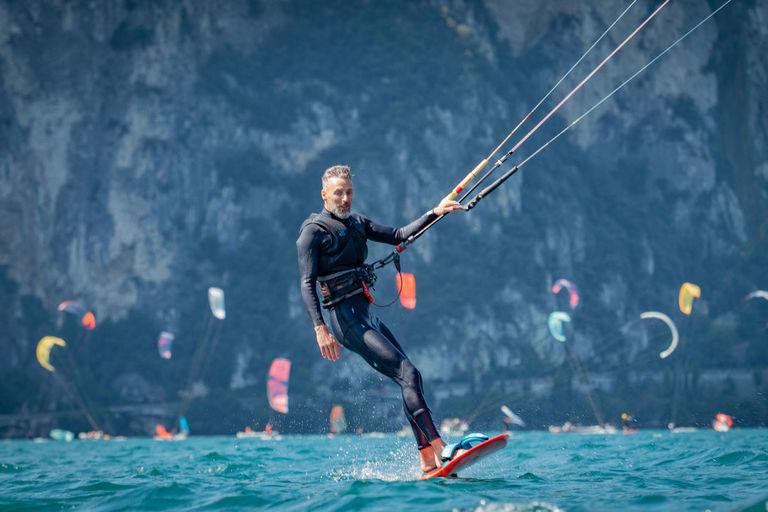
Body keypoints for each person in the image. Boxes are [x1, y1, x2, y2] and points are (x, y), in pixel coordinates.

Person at [296, 164, 465, 473]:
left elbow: (399, 234)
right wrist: (320, 328)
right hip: (345, 321)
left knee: (411, 378)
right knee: (407, 372)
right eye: (338, 193)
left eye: (349, 193)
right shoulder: (312, 233)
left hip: (367, 315)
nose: (345, 199)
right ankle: (443, 449)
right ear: (324, 195)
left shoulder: (358, 223)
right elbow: (307, 283)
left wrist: (436, 211)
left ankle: (428, 458)